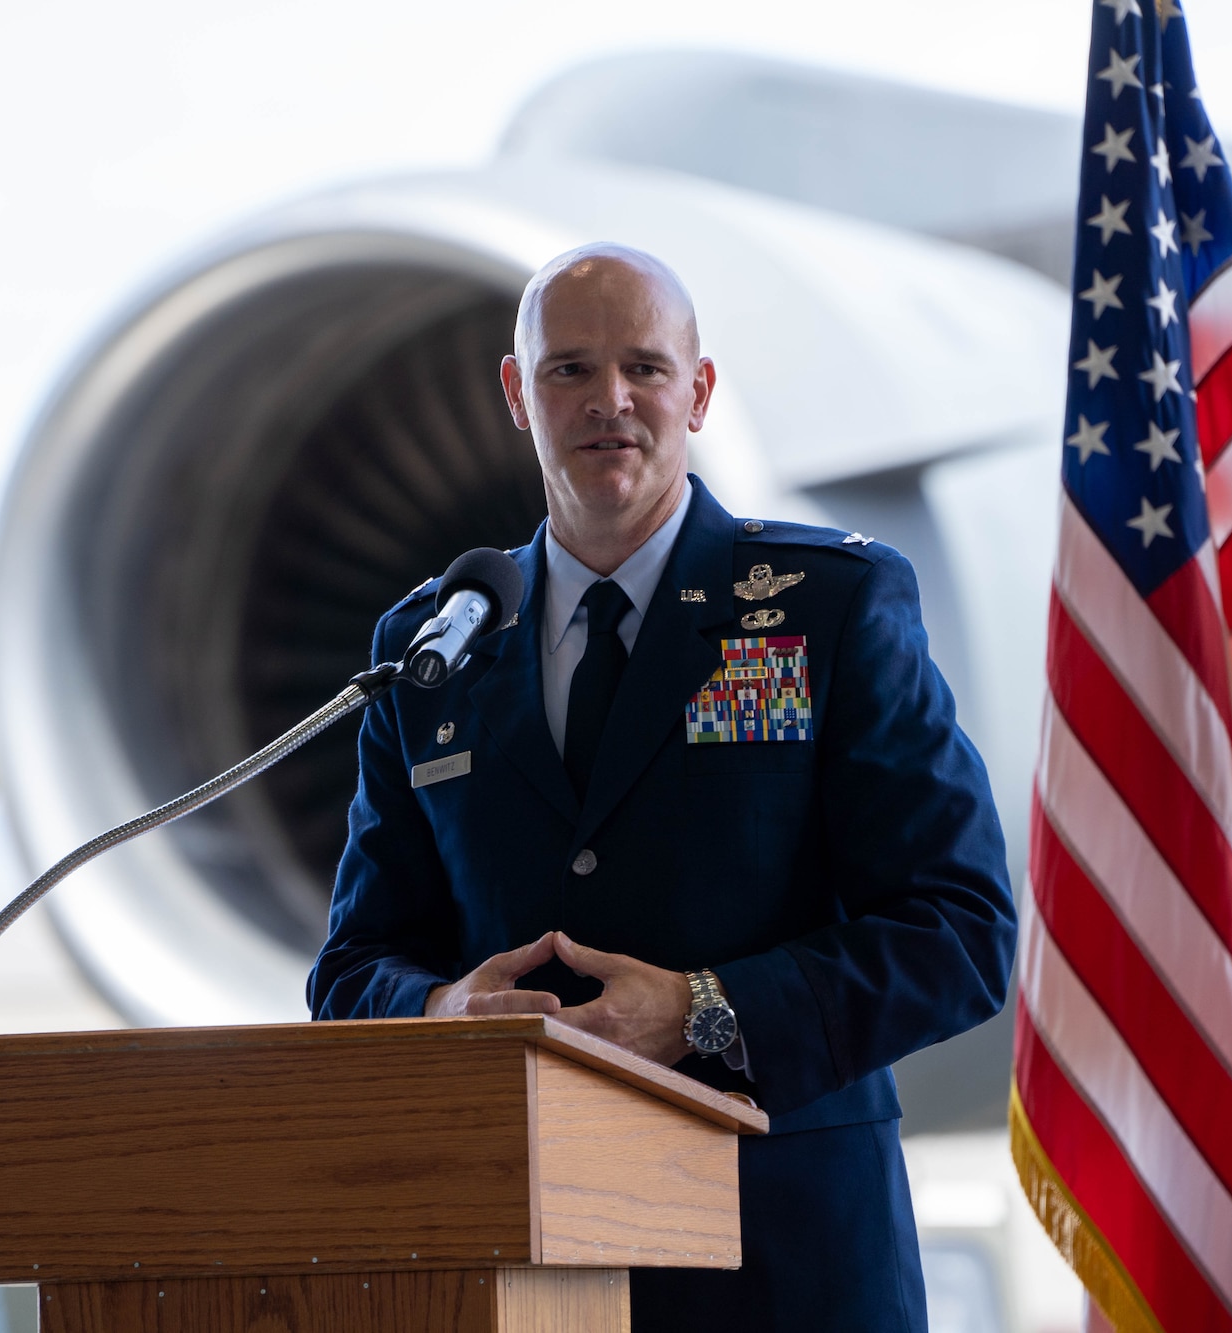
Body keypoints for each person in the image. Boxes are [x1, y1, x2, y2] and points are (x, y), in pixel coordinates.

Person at [308, 243, 1016, 1330]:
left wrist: (705, 1012)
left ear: (698, 390)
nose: (611, 403)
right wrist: (443, 1010)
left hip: (786, 1266)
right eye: (568, 371)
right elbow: (354, 969)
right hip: (515, 1273)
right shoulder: (435, 646)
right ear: (515, 394)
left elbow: (961, 933)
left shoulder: (826, 608)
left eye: (644, 366)